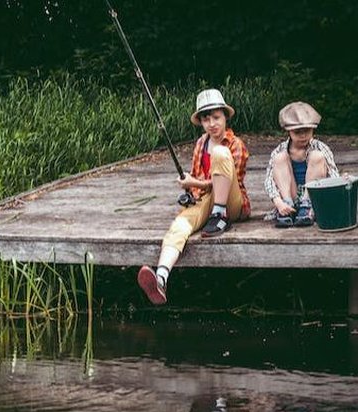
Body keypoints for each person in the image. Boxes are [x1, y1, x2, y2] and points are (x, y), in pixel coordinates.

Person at [137, 88, 251, 305]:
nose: (212, 124)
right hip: (206, 199)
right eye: (206, 119)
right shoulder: (201, 143)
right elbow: (200, 183)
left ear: (225, 117)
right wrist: (190, 190)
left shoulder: (236, 145)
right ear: (201, 123)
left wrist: (194, 182)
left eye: (216, 118)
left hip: (231, 204)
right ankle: (161, 277)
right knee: (180, 225)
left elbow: (224, 181)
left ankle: (220, 216)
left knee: (220, 154)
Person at [264, 101, 339, 227]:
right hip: (290, 195)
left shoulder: (320, 147)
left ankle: (307, 206)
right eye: (297, 132)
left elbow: (333, 173)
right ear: (289, 131)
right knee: (279, 158)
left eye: (307, 131)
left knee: (317, 156)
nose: (303, 136)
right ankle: (287, 206)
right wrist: (278, 202)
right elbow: (269, 180)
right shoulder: (280, 149)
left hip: (314, 198)